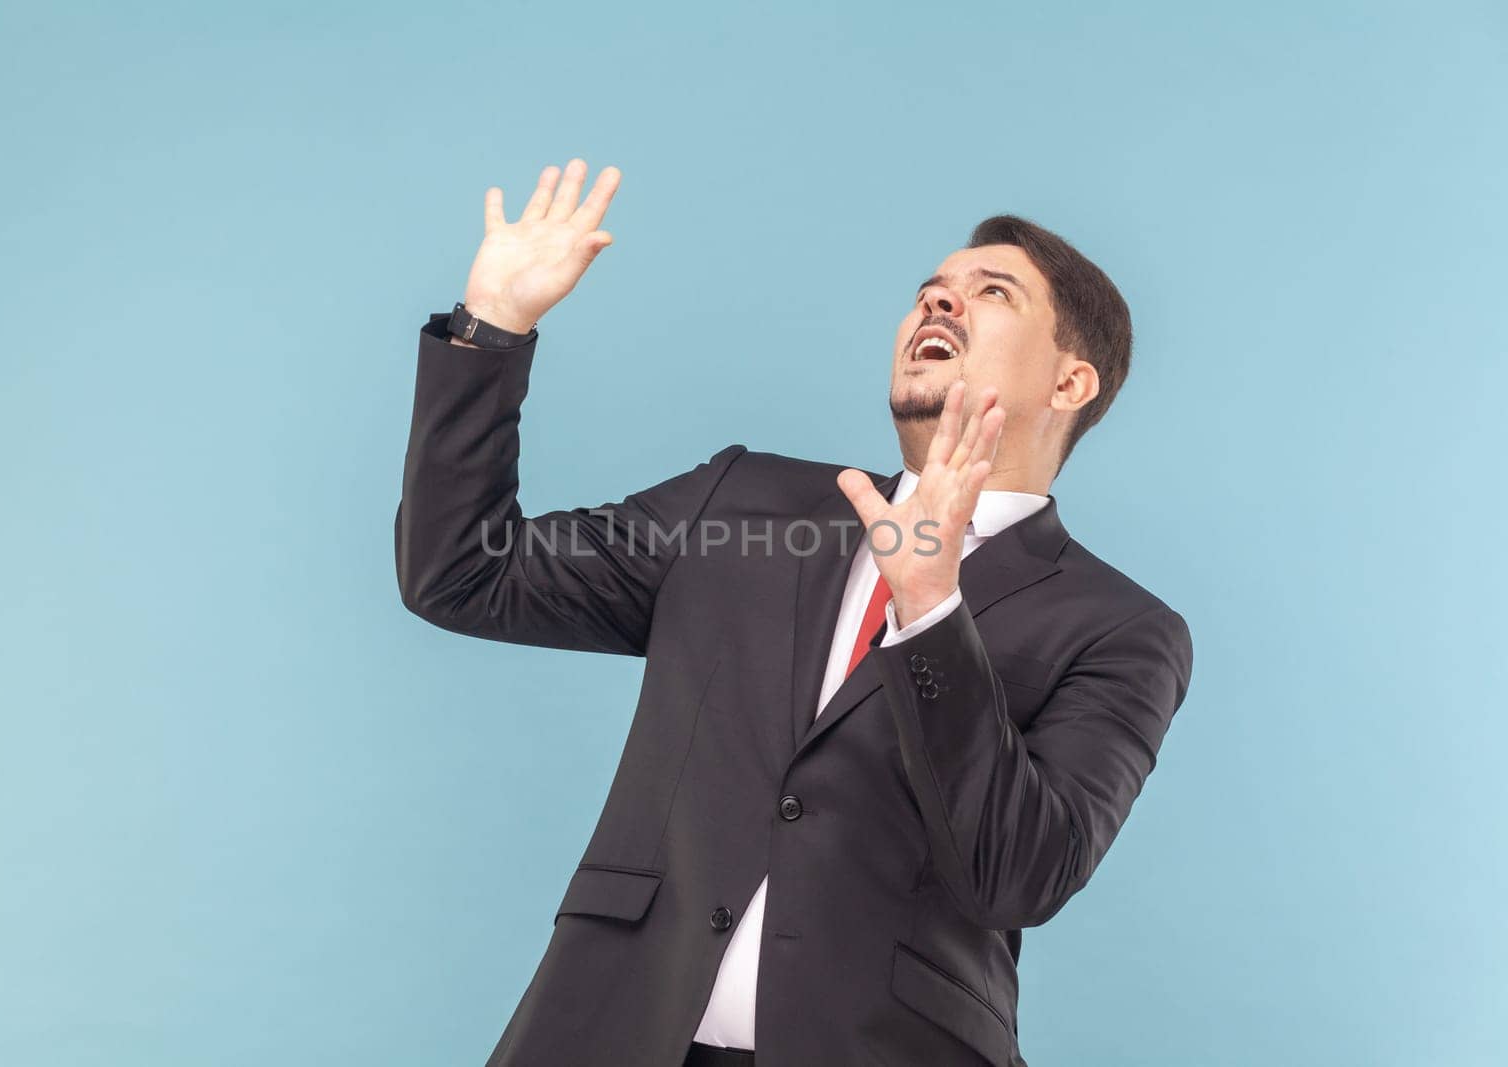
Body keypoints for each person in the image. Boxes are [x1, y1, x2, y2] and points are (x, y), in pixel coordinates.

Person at [395, 158, 1194, 1067]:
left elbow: (1023, 871)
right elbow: (461, 572)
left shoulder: (1122, 630)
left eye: (992, 291)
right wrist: (490, 329)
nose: (939, 304)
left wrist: (931, 607)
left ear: (1069, 385)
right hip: (612, 1033)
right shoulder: (742, 504)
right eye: (929, 291)